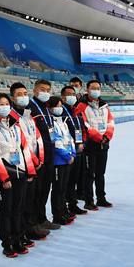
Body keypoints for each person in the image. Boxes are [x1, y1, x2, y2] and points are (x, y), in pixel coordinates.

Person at [0, 93, 35, 257]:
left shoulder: (16, 126)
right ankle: (7, 243)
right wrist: (3, 177)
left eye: (7, 103)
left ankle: (18, 238)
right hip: (5, 176)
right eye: (1, 104)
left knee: (18, 209)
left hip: (21, 173)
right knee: (6, 210)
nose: (5, 106)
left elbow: (24, 149)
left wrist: (29, 170)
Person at [10, 82, 52, 240]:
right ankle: (22, 230)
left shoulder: (27, 115)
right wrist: (34, 159)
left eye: (24, 94)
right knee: (22, 201)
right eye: (19, 94)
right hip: (23, 163)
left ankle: (30, 226)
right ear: (13, 98)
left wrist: (39, 157)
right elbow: (21, 143)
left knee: (32, 197)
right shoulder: (12, 117)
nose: (23, 97)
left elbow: (36, 137)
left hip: (35, 161)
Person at [74, 80, 115, 210]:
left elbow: (111, 122)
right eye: (93, 88)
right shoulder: (82, 105)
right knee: (89, 174)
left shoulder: (104, 106)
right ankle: (89, 201)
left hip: (104, 145)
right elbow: (84, 124)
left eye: (98, 88)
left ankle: (101, 198)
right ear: (87, 90)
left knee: (100, 174)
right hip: (91, 146)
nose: (96, 90)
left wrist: (107, 136)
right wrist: (98, 137)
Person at [27, 80, 58, 231]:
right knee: (36, 193)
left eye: (48, 90)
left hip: (50, 157)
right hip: (38, 159)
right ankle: (33, 222)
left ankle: (42, 218)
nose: (46, 92)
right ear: (35, 91)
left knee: (45, 190)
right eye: (42, 89)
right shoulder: (30, 108)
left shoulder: (46, 108)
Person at [48, 96, 76, 226]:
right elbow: (56, 142)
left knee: (63, 188)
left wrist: (73, 153)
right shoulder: (51, 123)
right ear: (50, 108)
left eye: (61, 106)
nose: (59, 108)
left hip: (68, 158)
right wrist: (67, 156)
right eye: (56, 106)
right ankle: (57, 215)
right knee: (57, 189)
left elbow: (70, 138)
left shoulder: (63, 122)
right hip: (59, 161)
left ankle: (63, 211)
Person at [61, 85, 87, 216]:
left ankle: (72, 204)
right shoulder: (61, 113)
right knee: (64, 183)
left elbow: (83, 129)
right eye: (69, 94)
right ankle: (63, 208)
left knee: (73, 180)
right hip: (67, 152)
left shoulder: (77, 112)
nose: (72, 96)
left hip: (78, 150)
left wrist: (82, 143)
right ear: (63, 97)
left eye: (73, 94)